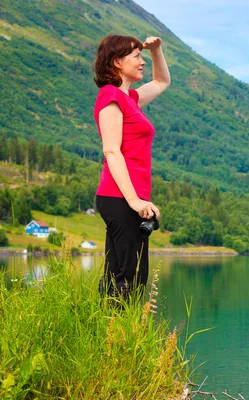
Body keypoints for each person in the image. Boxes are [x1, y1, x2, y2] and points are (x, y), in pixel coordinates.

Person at [93, 34, 170, 299]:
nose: (142, 62)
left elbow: (162, 82)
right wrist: (135, 201)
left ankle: (109, 334)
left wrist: (156, 50)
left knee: (123, 274)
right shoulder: (111, 97)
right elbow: (112, 151)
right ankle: (118, 336)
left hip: (128, 197)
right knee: (128, 278)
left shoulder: (130, 99)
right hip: (120, 197)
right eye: (136, 56)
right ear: (116, 62)